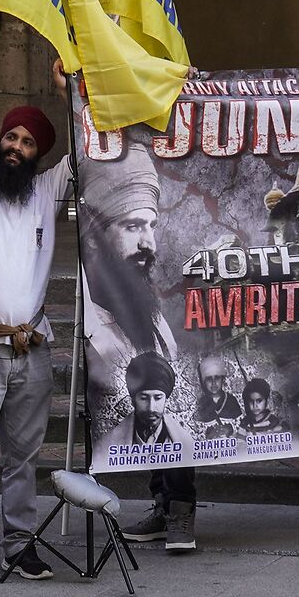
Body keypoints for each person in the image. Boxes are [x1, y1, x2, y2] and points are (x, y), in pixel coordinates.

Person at [0, 96, 69, 586]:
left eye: (27, 143)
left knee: (23, 454)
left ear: (38, 154)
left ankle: (20, 545)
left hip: (33, 344)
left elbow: (88, 148)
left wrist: (69, 97)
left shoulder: (46, 190)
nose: (16, 148)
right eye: (10, 137)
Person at [83, 144, 198, 553]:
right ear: (95, 239)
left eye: (151, 226)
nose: (149, 242)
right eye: (133, 227)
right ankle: (165, 506)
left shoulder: (143, 305)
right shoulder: (92, 315)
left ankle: (177, 508)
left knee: (167, 417)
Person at [123, 351, 188, 454]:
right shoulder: (108, 444)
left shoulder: (186, 443)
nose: (151, 408)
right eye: (144, 398)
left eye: (158, 398)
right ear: (133, 400)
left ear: (166, 400)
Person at [192, 355, 241, 438]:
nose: (213, 383)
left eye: (217, 378)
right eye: (209, 379)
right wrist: (209, 434)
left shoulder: (231, 400)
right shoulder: (200, 404)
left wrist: (230, 429)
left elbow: (241, 426)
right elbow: (197, 432)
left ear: (223, 379)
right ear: (204, 382)